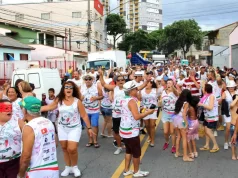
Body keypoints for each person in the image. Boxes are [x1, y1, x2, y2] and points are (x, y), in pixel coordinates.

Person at [41, 81, 94, 177]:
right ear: (63, 89)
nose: (68, 89)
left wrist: (89, 128)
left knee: (72, 148)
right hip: (62, 127)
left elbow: (84, 115)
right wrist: (36, 108)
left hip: (75, 128)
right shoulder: (59, 100)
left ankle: (75, 167)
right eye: (66, 87)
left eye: (70, 87)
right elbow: (49, 107)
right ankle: (68, 167)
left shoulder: (77, 101)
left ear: (73, 90)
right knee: (65, 148)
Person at [120, 81, 154, 177]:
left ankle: (126, 170)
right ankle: (136, 171)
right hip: (131, 130)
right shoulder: (131, 101)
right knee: (136, 152)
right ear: (131, 91)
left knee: (128, 150)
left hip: (124, 129)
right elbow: (136, 116)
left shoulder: (124, 99)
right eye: (135, 89)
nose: (136, 90)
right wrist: (148, 113)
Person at [18, 96, 58, 178]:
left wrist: (20, 175)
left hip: (35, 171)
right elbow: (55, 143)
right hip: (53, 168)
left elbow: (26, 157)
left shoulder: (29, 127)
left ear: (25, 110)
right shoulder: (49, 122)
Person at [0, 99, 24, 178]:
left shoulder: (18, 121)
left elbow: (28, 138)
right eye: (6, 108)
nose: (9, 111)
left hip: (14, 162)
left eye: (10, 108)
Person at [80, 74, 103, 148]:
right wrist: (81, 98)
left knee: (95, 125)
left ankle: (95, 141)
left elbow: (101, 96)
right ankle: (90, 140)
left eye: (89, 79)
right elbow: (78, 98)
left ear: (92, 80)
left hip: (95, 110)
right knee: (88, 126)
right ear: (84, 80)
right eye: (86, 79)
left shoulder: (96, 87)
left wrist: (96, 98)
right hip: (85, 110)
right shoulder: (81, 88)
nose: (88, 81)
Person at [173, 89, 193, 162]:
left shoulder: (179, 100)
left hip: (175, 119)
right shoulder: (186, 103)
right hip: (182, 119)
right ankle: (185, 156)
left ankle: (177, 152)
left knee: (178, 136)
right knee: (184, 138)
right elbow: (184, 114)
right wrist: (186, 124)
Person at [198, 84, 220, 153]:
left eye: (203, 88)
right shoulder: (205, 96)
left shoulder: (211, 96)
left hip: (212, 116)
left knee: (208, 131)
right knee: (206, 131)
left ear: (206, 89)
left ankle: (215, 145)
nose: (202, 89)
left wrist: (202, 105)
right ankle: (207, 145)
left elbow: (210, 107)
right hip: (206, 116)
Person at [160, 79, 178, 153]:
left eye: (170, 83)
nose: (168, 84)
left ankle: (173, 146)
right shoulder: (163, 92)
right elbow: (160, 101)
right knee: (165, 132)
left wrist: (173, 88)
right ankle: (167, 142)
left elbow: (178, 94)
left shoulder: (175, 92)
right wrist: (159, 102)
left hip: (173, 114)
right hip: (165, 113)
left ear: (173, 84)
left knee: (172, 131)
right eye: (167, 83)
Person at [140, 79, 159, 147]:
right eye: (146, 83)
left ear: (151, 84)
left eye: (148, 83)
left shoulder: (155, 90)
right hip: (145, 109)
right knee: (147, 125)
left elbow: (160, 91)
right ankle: (150, 136)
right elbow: (140, 99)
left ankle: (152, 140)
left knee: (152, 125)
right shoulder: (142, 91)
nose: (146, 84)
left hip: (153, 109)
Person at [230, 94, 238, 160]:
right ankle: (233, 154)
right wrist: (236, 98)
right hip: (233, 125)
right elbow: (232, 105)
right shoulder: (233, 107)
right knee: (233, 141)